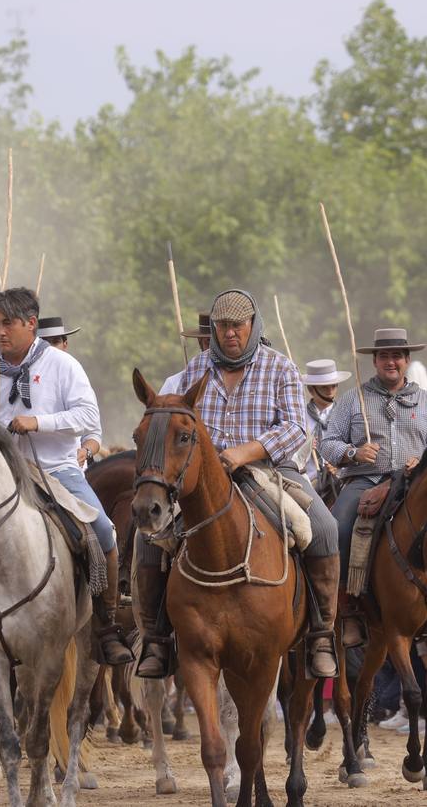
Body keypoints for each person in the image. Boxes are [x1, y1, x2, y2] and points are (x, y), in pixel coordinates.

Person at [137, 290, 343, 678]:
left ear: (252, 325)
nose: (230, 333)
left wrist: (243, 453)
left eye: (237, 325)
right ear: (213, 330)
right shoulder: (194, 370)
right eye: (223, 326)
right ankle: (156, 637)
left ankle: (321, 632)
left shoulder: (280, 368)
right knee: (148, 535)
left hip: (270, 472)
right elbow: (174, 426)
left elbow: (297, 427)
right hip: (202, 479)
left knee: (325, 528)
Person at [0, 288, 132, 668]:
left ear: (31, 324)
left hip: (57, 471)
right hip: (3, 475)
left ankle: (106, 626)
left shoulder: (63, 366)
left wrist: (38, 422)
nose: (0, 332)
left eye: (8, 323)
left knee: (104, 532)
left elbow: (87, 418)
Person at [319, 327, 427, 651]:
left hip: (414, 484)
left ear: (406, 361)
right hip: (366, 481)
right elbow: (327, 443)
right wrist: (353, 453)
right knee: (336, 528)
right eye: (384, 357)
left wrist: (421, 462)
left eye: (396, 356)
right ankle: (346, 608)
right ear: (375, 361)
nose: (390, 362)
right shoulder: (354, 399)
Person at [37, 317, 104, 467]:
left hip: (69, 467)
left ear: (65, 344)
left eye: (55, 342)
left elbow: (93, 433)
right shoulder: (25, 379)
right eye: (44, 343)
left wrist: (85, 451)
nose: (51, 349)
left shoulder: (76, 378)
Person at [297, 358, 350, 480]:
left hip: (341, 478)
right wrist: (306, 445)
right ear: (311, 389)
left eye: (333, 386)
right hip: (308, 479)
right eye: (324, 387)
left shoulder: (347, 415)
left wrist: (338, 467)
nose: (330, 391)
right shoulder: (299, 416)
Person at [159, 312, 211, 396]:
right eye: (209, 341)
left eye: (218, 343)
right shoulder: (174, 384)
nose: (214, 349)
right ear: (199, 342)